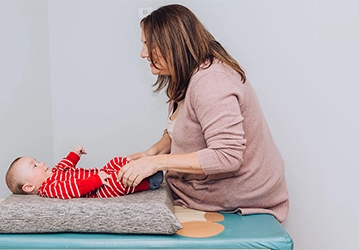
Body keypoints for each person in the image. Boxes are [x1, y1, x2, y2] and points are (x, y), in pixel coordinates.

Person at [117, 4, 289, 222]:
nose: (143, 54)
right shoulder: (186, 75)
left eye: (149, 45)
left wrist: (158, 163)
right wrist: (152, 152)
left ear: (174, 44)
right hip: (205, 187)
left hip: (238, 195)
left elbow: (227, 156)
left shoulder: (212, 83)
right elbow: (181, 128)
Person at [6, 145, 163, 199]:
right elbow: (74, 189)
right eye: (35, 166)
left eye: (37, 160)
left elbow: (64, 164)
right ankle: (149, 183)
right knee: (118, 181)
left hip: (101, 175)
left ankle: (143, 167)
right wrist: (97, 180)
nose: (41, 164)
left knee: (116, 161)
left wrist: (75, 153)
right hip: (100, 189)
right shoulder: (49, 188)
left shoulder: (54, 173)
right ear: (28, 187)